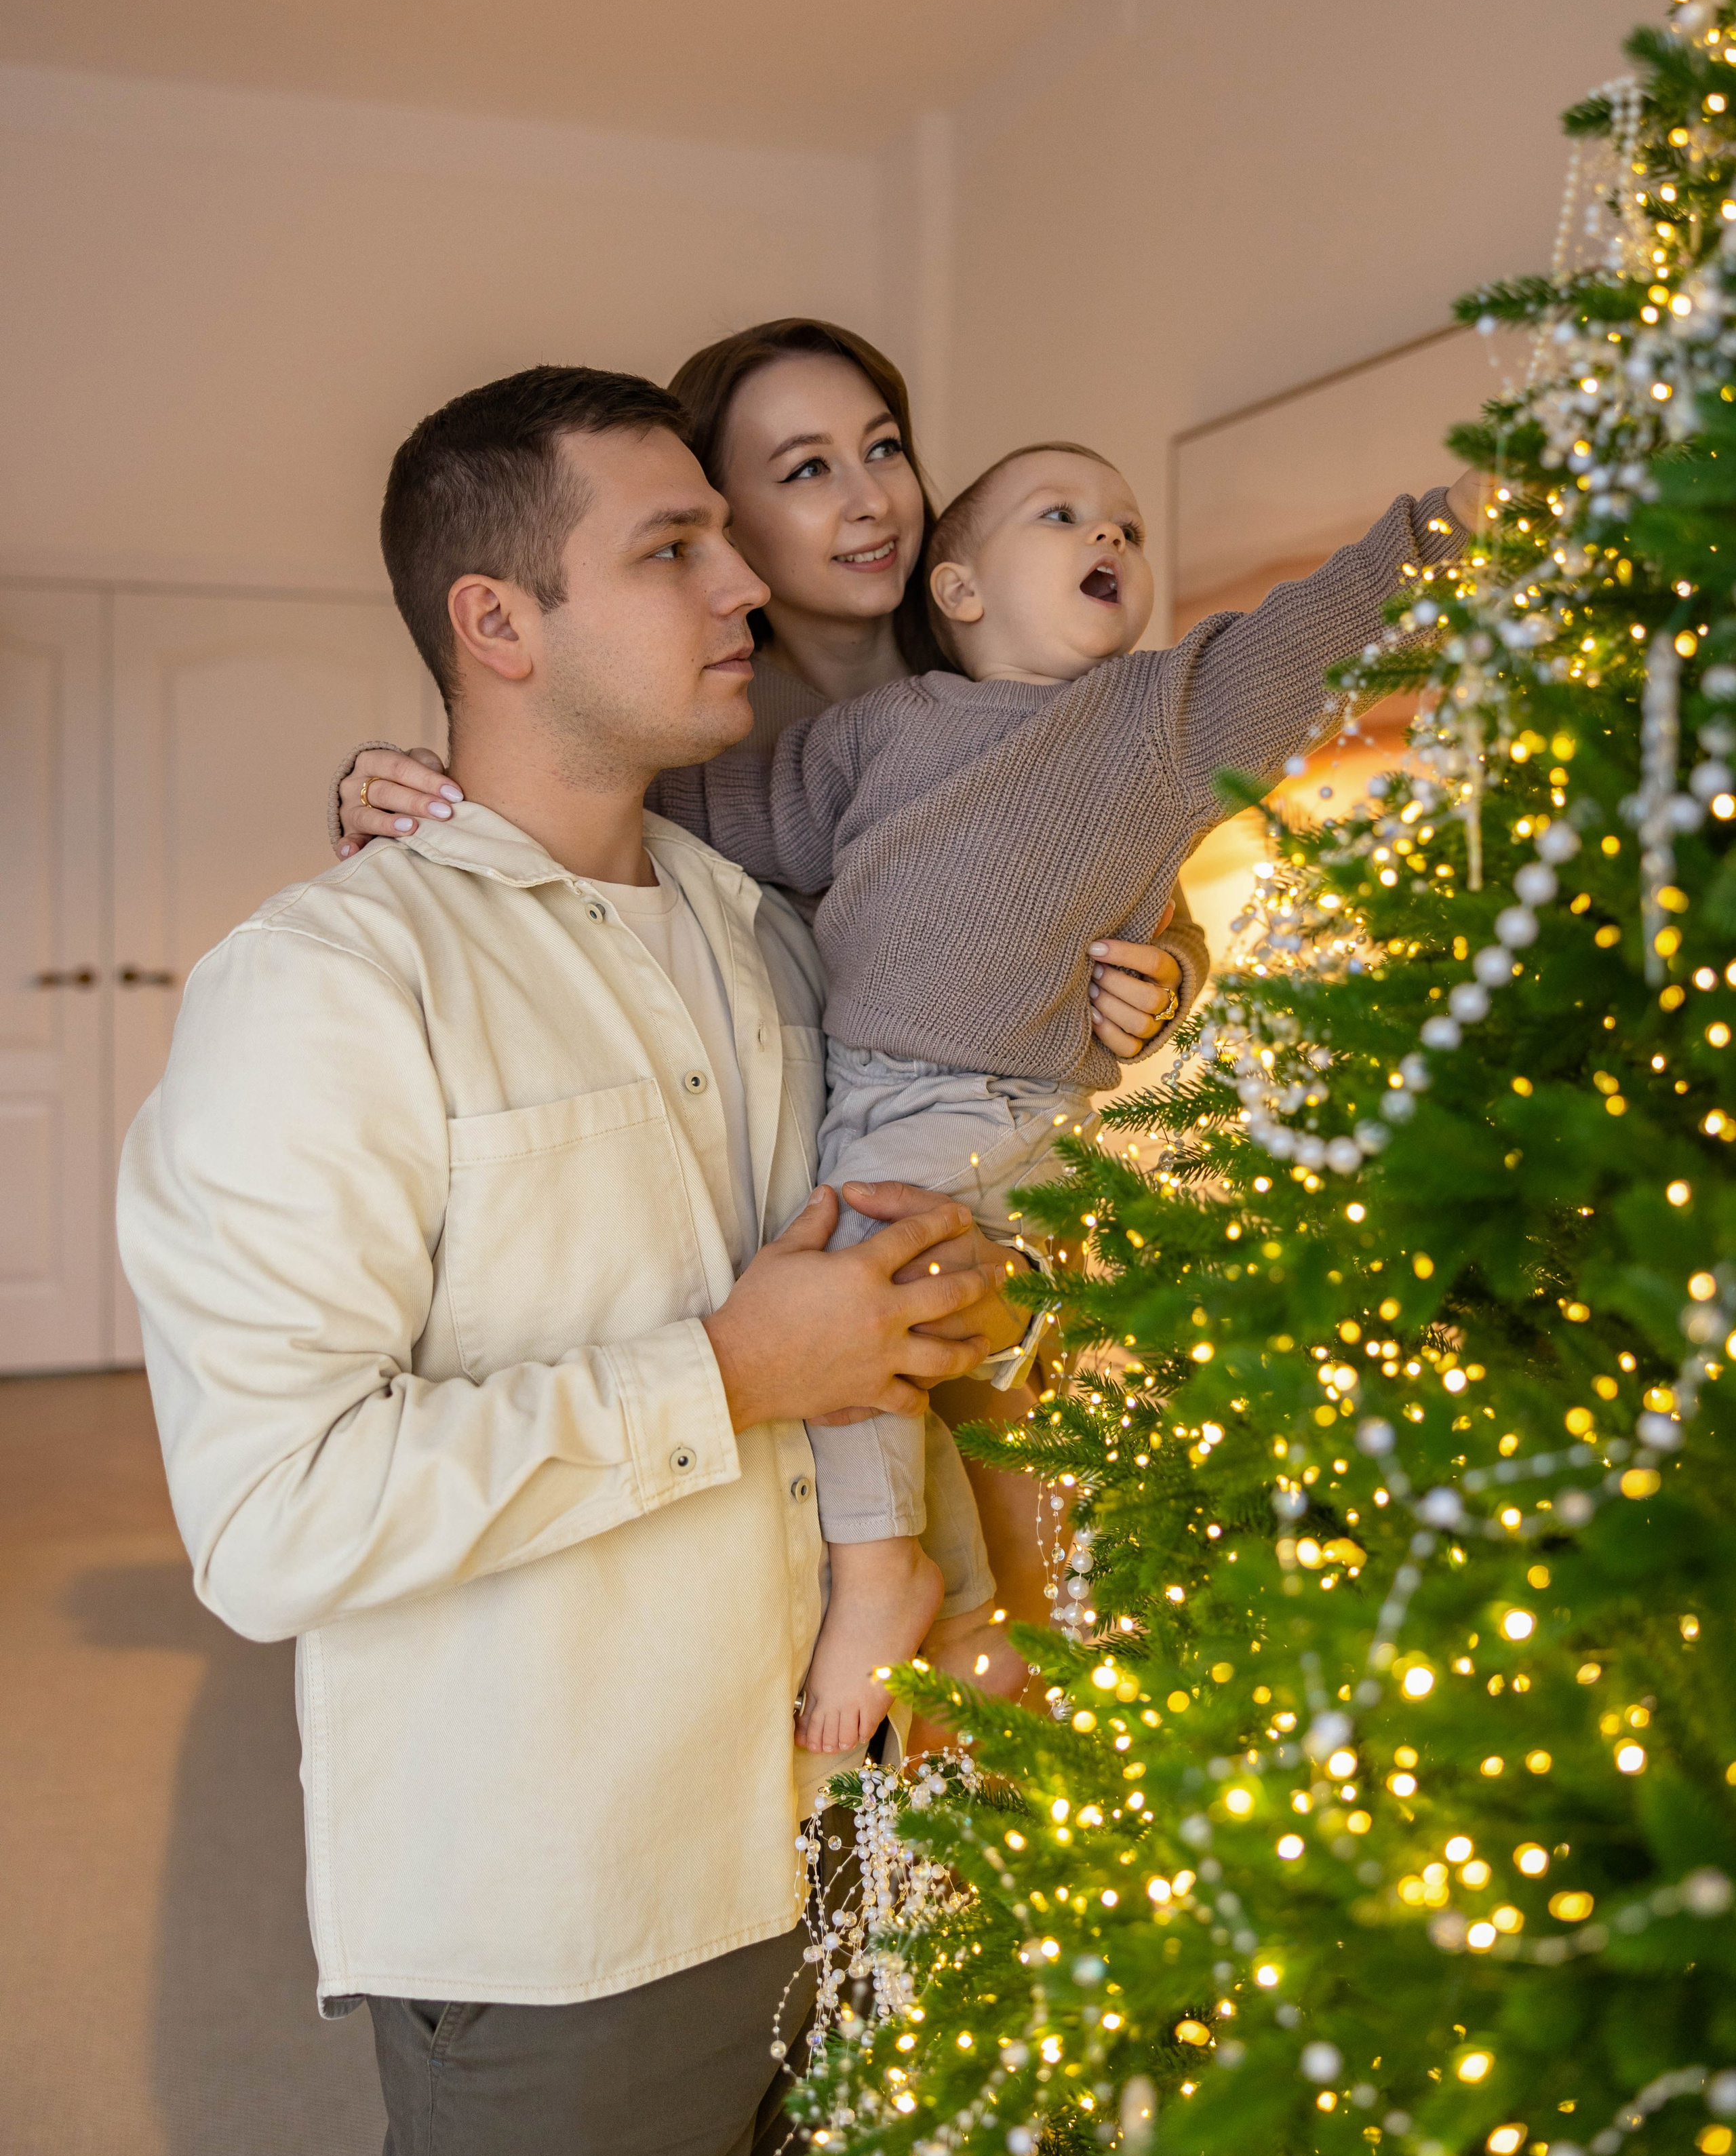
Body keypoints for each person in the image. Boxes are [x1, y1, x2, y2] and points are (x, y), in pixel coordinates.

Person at [119, 365, 1025, 2156]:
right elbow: (275, 1519)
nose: (746, 584)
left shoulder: (776, 941)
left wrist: (975, 1295)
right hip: (579, 1912)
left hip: (867, 1819)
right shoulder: (327, 986)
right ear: (498, 624)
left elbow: (909, 1266)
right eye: (672, 548)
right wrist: (728, 1374)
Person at [330, 319, 1210, 1723]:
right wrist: (412, 792)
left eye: (883, 449)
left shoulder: (1021, 666)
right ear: (715, 513)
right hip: (776, 1236)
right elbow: (541, 826)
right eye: (803, 470)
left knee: (1026, 1615)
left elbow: (1141, 861)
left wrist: (1170, 969)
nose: (869, 500)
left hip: (976, 1186)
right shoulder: (680, 727)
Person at [655, 437, 1486, 1746]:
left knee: (854, 1296)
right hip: (867, 1099)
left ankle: (881, 1574)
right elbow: (701, 811)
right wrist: (453, 792)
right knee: (902, 1339)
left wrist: (1450, 524)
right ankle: (975, 1623)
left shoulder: (1155, 716)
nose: (1111, 538)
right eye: (1064, 515)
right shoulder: (875, 734)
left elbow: (1304, 638)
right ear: (961, 589)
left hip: (992, 1108)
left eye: (1129, 527)